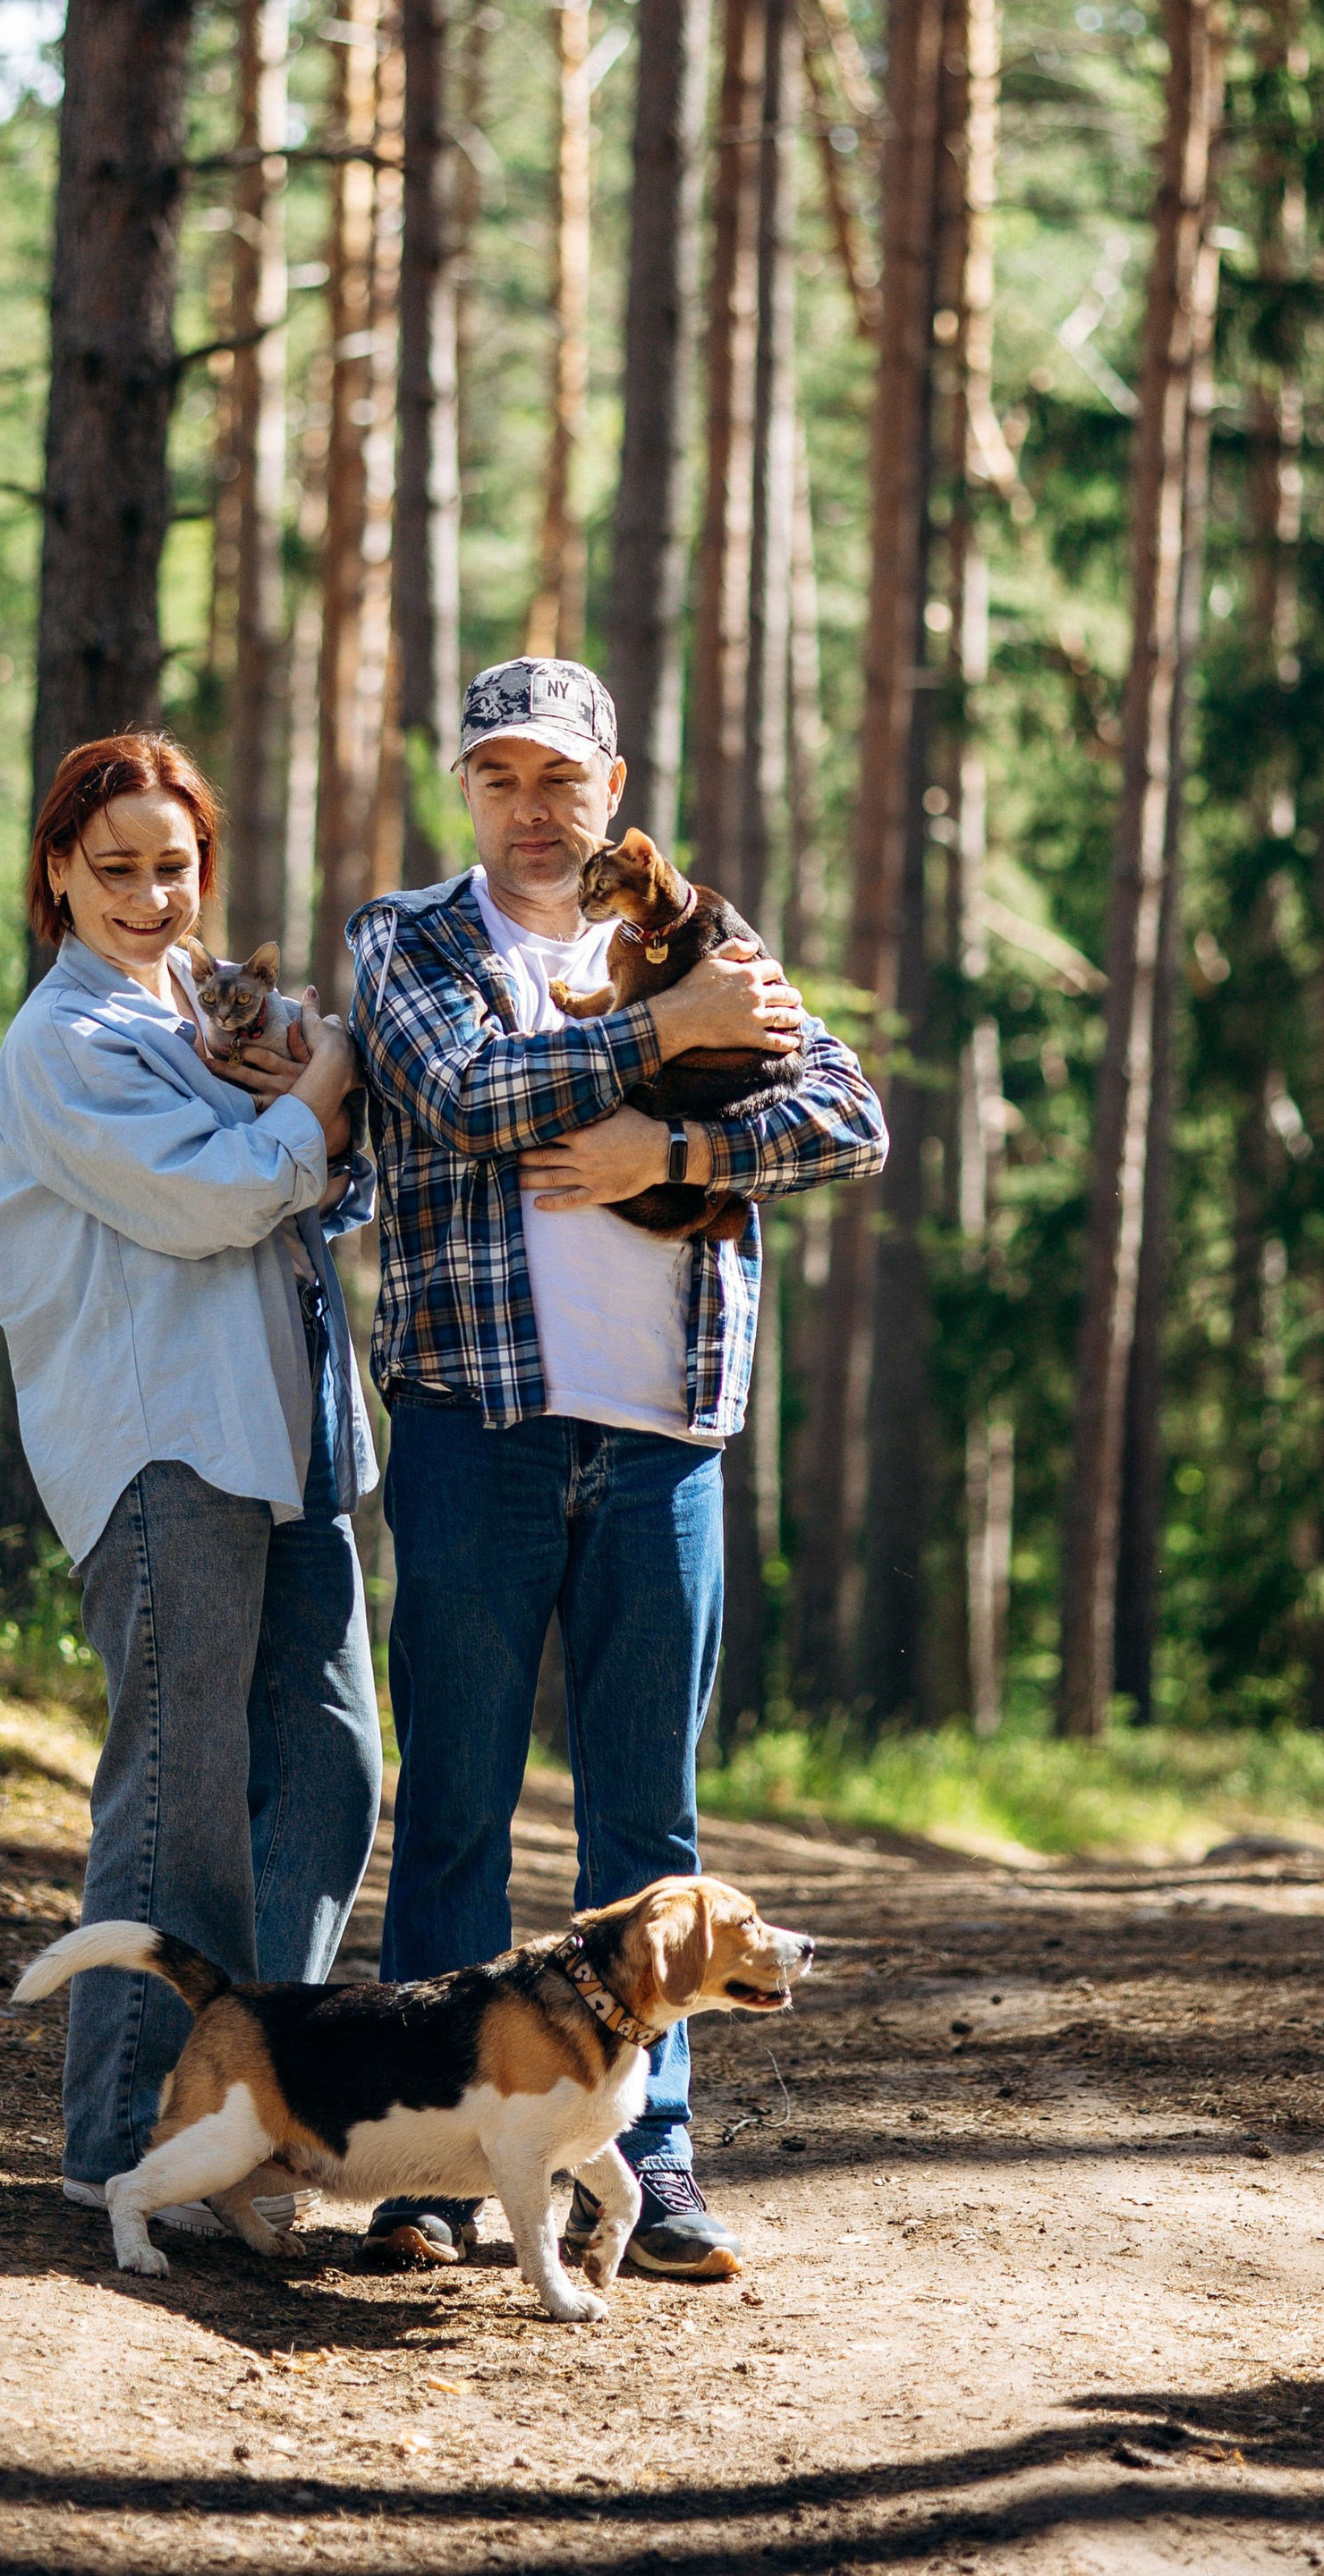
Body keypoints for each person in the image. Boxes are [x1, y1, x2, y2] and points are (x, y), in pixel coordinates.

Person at [346, 656, 887, 2282]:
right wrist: (673, 1034)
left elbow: (846, 1112)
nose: (531, 811)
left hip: (664, 1442)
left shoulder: (700, 938)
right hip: (475, 1430)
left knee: (648, 1822)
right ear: (466, 788)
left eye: (558, 781)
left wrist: (682, 1147)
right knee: (452, 1807)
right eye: (500, 779)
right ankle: (430, 2170)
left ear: (611, 788)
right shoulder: (410, 942)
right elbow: (461, 1097)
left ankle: (646, 2169)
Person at [0, 730, 383, 2234]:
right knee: (178, 1806)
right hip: (166, 1455)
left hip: (287, 1453)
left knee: (332, 1767)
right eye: (117, 869)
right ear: (57, 878)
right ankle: (117, 2147)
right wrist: (319, 1091)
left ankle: (250, 2123)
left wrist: (300, 1094)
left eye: (176, 865)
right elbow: (216, 1201)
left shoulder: (189, 1025)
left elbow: (308, 1179)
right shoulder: (66, 1046)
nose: (152, 897)